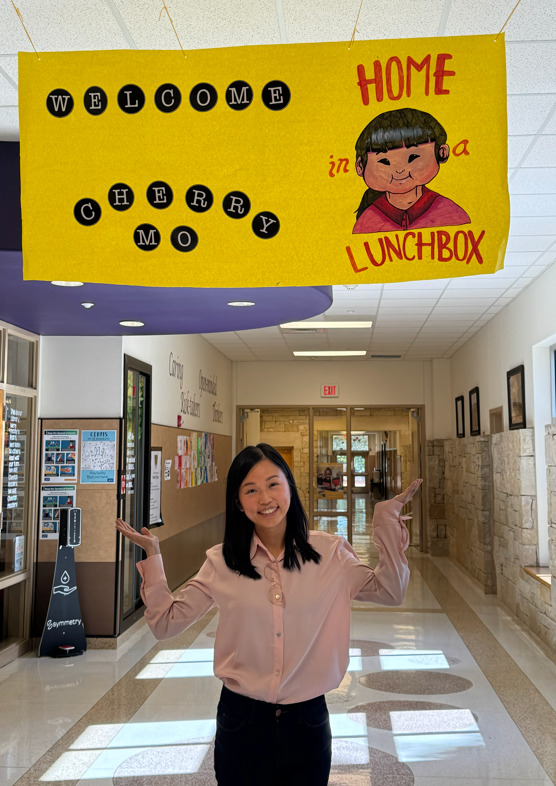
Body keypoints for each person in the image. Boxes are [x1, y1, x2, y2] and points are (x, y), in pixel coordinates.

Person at [115, 443, 422, 785]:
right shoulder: (222, 561)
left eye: (273, 484)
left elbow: (391, 592)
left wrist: (386, 525)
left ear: (289, 486)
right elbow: (165, 624)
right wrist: (154, 559)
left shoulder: (329, 553)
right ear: (238, 502)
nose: (265, 498)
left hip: (308, 720)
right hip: (240, 719)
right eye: (251, 490)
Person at [353, 107, 470, 234]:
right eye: (384, 162)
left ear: (442, 152)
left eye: (413, 157)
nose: (399, 170)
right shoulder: (367, 221)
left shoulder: (450, 213)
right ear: (360, 166)